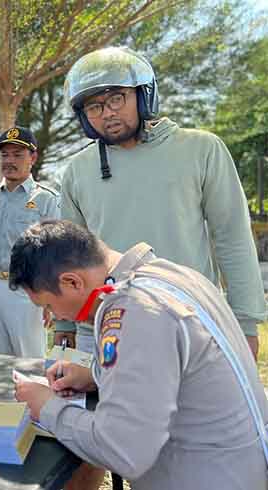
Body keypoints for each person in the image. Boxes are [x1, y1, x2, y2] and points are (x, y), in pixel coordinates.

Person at [11, 220, 268, 490]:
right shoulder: (171, 276)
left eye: (49, 305)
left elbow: (123, 450)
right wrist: (98, 376)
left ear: (72, 282)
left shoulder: (136, 310)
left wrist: (47, 407)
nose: (57, 317)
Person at [55, 46, 265, 361]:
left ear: (143, 95)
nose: (108, 113)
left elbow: (232, 235)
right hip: (104, 326)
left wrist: (245, 324)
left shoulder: (200, 149)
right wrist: (64, 324)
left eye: (116, 98)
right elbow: (68, 252)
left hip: (189, 321)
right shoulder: (77, 170)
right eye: (94, 106)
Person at [0, 126, 59, 357]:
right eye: (5, 155)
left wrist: (51, 297)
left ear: (32, 158)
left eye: (18, 154)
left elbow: (55, 252)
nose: (9, 160)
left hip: (28, 290)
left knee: (29, 360)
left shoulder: (47, 199)